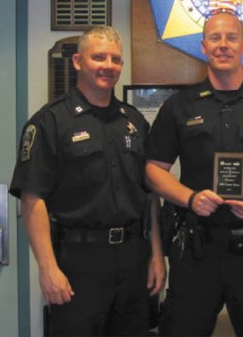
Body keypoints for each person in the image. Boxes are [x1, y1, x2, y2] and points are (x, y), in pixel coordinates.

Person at [145, 10, 243, 336]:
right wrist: (189, 198)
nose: (223, 45)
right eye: (215, 38)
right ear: (203, 46)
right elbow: (152, 171)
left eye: (231, 37)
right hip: (195, 251)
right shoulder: (180, 106)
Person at [9, 26, 165, 336]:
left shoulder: (133, 121)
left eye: (115, 59)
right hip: (78, 263)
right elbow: (33, 199)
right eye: (99, 57)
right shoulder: (51, 121)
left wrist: (156, 256)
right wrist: (47, 268)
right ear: (78, 62)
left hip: (134, 258)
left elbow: (149, 196)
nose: (108, 65)